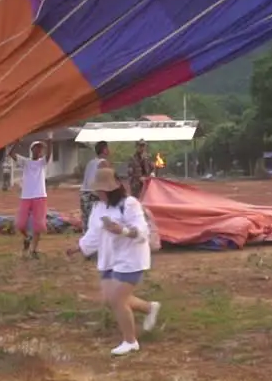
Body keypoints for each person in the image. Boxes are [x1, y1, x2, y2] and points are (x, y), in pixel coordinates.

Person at [68, 167, 161, 356]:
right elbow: (94, 233)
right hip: (109, 258)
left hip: (131, 257)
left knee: (118, 300)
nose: (99, 194)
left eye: (102, 190)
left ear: (112, 189)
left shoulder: (129, 204)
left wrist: (123, 231)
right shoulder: (98, 208)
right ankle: (149, 307)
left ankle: (130, 341)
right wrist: (79, 247)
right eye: (98, 190)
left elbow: (142, 232)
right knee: (111, 299)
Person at [9, 140, 50, 259]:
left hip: (40, 196)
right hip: (26, 196)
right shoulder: (25, 162)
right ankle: (27, 237)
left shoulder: (42, 163)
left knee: (39, 225)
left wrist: (50, 140)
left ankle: (34, 250)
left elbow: (49, 155)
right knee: (20, 224)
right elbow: (11, 154)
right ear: (32, 150)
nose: (39, 150)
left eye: (41, 149)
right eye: (37, 148)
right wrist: (17, 141)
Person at [79, 142, 110, 232]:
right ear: (104, 150)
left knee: (86, 223)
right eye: (107, 148)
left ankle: (86, 244)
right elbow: (105, 183)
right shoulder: (103, 163)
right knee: (96, 223)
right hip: (94, 195)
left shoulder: (91, 162)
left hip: (84, 194)